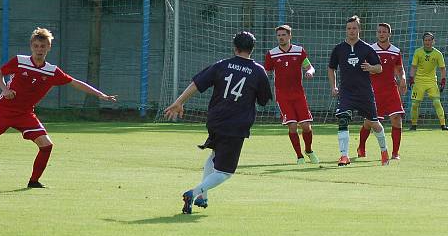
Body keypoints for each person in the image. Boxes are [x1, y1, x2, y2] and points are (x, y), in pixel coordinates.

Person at [0, 27, 117, 188]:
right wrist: (5, 90)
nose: (39, 49)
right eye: (36, 46)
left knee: (47, 145)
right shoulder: (20, 61)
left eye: (43, 46)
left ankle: (33, 181)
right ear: (31, 46)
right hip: (4, 109)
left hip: (25, 113)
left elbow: (75, 83)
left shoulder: (52, 71)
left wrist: (100, 94)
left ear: (49, 47)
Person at [164, 31, 272, 214]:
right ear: (252, 49)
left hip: (215, 120)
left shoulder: (221, 65)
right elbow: (263, 100)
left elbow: (197, 84)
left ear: (234, 47)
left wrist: (179, 102)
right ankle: (194, 192)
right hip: (236, 125)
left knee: (214, 157)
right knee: (225, 172)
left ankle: (202, 197)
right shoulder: (258, 71)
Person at [327, 15, 390, 166]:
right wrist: (333, 86)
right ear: (346, 30)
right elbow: (331, 68)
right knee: (342, 119)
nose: (351, 31)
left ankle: (384, 150)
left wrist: (371, 68)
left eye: (354, 28)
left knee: (374, 124)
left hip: (364, 92)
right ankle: (344, 156)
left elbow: (380, 68)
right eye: (349, 28)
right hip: (346, 92)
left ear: (359, 29)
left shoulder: (367, 48)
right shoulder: (339, 49)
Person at [264, 24, 320, 164]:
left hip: (299, 94)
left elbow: (309, 66)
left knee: (306, 126)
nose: (281, 37)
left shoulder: (299, 51)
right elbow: (266, 72)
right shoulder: (272, 54)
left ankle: (308, 150)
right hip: (282, 96)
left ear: (290, 36)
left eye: (284, 35)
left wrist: (310, 72)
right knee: (293, 125)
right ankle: (299, 156)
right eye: (279, 35)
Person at [357, 23, 407, 160]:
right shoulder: (370, 49)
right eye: (379, 31)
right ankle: (361, 146)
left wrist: (402, 78)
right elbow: (364, 68)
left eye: (384, 32)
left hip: (391, 90)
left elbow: (399, 68)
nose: (381, 34)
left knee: (397, 119)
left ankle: (395, 153)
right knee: (369, 122)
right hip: (373, 91)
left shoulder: (395, 51)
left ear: (389, 34)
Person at [409, 32, 448, 131]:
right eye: (426, 40)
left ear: (433, 41)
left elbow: (442, 68)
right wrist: (411, 78)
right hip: (419, 81)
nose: (427, 42)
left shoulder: (438, 54)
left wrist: (443, 81)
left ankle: (443, 125)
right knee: (414, 104)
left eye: (429, 40)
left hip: (431, 81)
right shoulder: (418, 52)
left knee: (436, 102)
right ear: (423, 41)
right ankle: (413, 125)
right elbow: (413, 66)